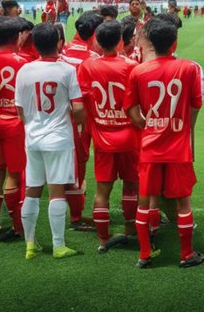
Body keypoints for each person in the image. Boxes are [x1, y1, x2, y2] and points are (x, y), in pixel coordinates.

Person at [124, 19, 204, 269]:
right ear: (174, 43)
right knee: (183, 201)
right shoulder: (189, 68)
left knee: (144, 199)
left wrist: (149, 125)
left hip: (150, 145)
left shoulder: (138, 71)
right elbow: (195, 105)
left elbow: (132, 110)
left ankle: (145, 254)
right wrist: (180, 126)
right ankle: (186, 254)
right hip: (178, 146)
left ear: (149, 43)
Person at [15, 23, 86, 260]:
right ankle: (58, 246)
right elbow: (78, 107)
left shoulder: (24, 70)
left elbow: (20, 110)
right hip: (58, 138)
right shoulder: (66, 70)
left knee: (32, 191)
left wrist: (33, 125)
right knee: (57, 192)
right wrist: (79, 121)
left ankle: (30, 245)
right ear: (58, 42)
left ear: (34, 44)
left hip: (33, 137)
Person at [77, 21, 140, 253]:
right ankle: (131, 229)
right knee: (132, 186)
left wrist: (92, 123)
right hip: (129, 135)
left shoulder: (86, 66)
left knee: (102, 190)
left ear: (97, 41)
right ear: (121, 41)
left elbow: (81, 104)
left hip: (102, 137)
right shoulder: (132, 66)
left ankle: (103, 238)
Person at [0, 18, 30, 242]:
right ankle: (18, 227)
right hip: (14, 124)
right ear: (17, 36)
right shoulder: (23, 62)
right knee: (13, 175)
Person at [59, 11, 102, 230]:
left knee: (70, 164)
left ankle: (73, 213)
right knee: (78, 164)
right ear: (94, 33)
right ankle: (75, 217)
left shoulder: (63, 49)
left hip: (58, 115)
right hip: (80, 116)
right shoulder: (92, 59)